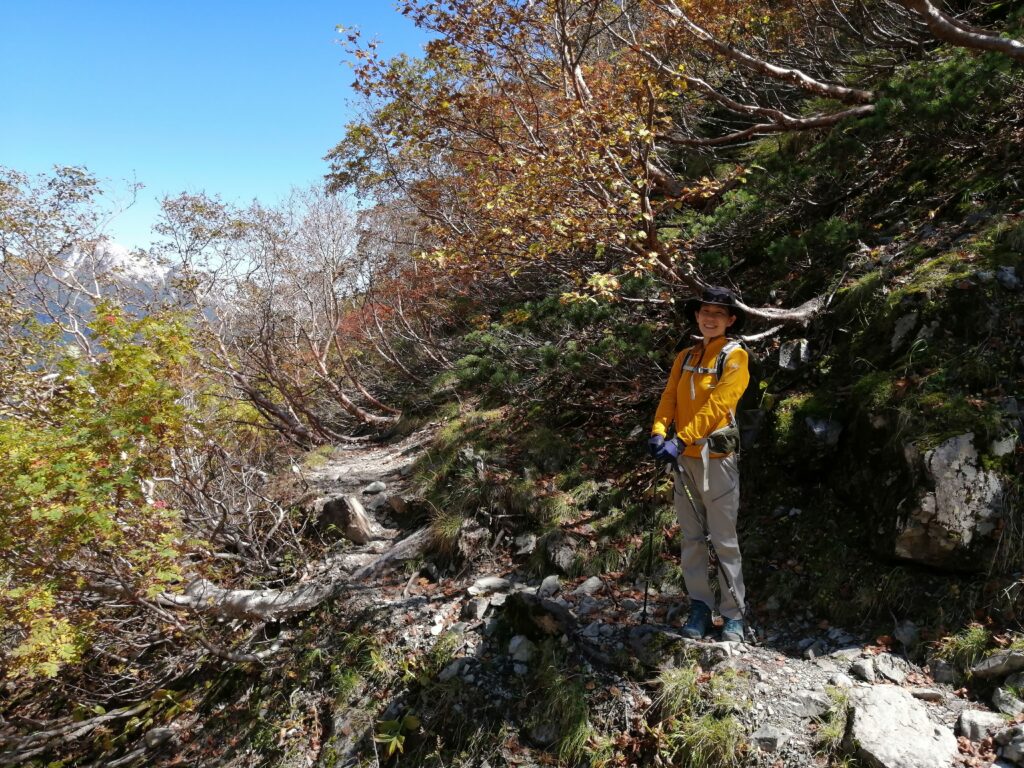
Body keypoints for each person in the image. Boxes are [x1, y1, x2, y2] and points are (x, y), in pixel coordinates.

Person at [648, 286, 750, 642]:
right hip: (684, 461)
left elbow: (719, 405)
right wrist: (659, 432)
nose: (710, 318)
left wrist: (681, 439)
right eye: (705, 311)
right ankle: (700, 607)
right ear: (696, 315)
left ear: (731, 319)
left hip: (717, 459)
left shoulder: (734, 357)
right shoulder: (685, 356)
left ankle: (734, 615)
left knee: (723, 539)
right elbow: (669, 397)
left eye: (719, 313)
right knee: (692, 538)